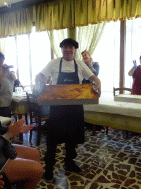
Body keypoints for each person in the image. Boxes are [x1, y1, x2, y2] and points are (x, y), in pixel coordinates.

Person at [35, 38, 101, 181]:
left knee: (72, 138)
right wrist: (40, 81)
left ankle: (69, 162)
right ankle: (49, 167)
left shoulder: (80, 64)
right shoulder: (53, 63)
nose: (68, 50)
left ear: (74, 50)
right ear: (62, 49)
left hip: (75, 107)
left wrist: (98, 84)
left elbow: (93, 78)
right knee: (52, 139)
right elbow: (41, 76)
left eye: (71, 47)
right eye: (65, 47)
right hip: (57, 109)